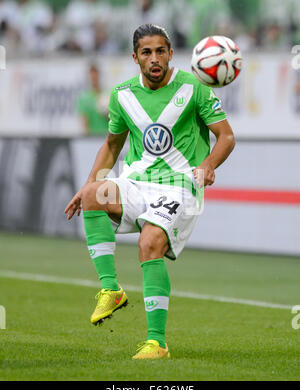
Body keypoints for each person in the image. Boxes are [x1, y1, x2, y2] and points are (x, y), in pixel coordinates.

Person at [65, 24, 235, 360]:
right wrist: (89, 184)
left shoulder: (195, 88)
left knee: (149, 242)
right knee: (91, 196)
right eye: (146, 52)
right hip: (137, 181)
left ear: (171, 54)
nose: (154, 58)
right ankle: (111, 289)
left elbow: (226, 137)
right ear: (135, 57)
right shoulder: (122, 95)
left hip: (180, 185)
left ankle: (156, 343)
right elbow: (112, 145)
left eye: (161, 51)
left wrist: (209, 165)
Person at [76, 64, 109, 136]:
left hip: (107, 137)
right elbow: (85, 121)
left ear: (99, 76)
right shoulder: (84, 98)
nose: (94, 78)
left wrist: (107, 114)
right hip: (92, 138)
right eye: (92, 76)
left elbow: (114, 119)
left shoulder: (107, 95)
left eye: (95, 76)